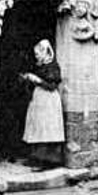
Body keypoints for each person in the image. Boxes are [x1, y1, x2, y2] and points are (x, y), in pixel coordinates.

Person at [20, 39, 65, 171]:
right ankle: (36, 157)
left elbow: (51, 86)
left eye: (39, 53)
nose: (37, 56)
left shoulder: (53, 67)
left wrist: (36, 79)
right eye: (36, 54)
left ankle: (48, 160)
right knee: (37, 126)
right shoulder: (40, 66)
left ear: (46, 52)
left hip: (49, 100)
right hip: (39, 98)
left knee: (47, 127)